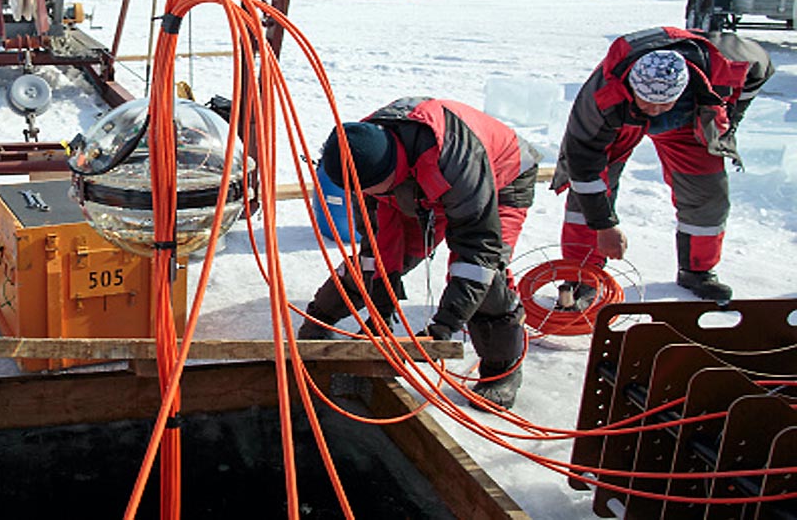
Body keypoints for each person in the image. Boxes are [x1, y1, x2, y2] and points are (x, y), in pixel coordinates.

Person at [299, 97, 541, 409]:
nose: (361, 197)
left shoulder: (457, 158)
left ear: (387, 175)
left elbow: (477, 250)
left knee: (485, 275)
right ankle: (320, 320)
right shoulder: (359, 157)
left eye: (367, 191)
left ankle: (501, 371)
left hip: (500, 176)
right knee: (380, 258)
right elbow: (378, 248)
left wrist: (445, 325)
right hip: (417, 181)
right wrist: (380, 310)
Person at [551, 27, 774, 305]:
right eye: (648, 104)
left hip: (690, 117)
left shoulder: (727, 62)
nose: (654, 111)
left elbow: (759, 70)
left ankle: (697, 271)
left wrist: (730, 119)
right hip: (621, 119)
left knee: (707, 191)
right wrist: (604, 226)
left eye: (662, 104)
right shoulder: (602, 98)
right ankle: (582, 275)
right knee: (587, 194)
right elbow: (584, 167)